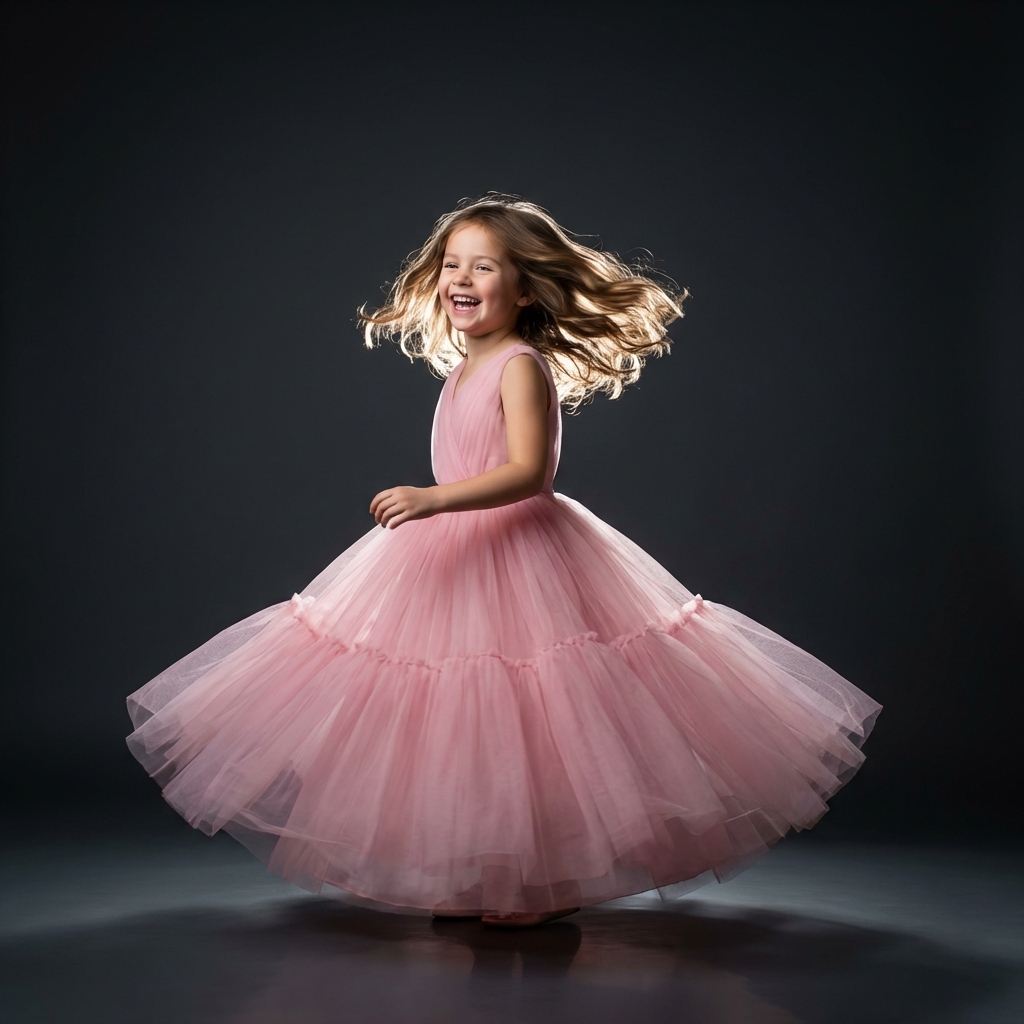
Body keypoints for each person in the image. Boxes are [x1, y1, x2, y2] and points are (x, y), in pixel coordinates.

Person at [126, 194, 881, 928]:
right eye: (452, 264)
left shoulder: (521, 364)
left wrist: (433, 500)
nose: (461, 280)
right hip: (450, 559)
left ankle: (538, 880)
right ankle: (474, 869)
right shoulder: (460, 368)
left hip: (520, 553)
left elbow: (529, 474)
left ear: (524, 288)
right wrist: (438, 509)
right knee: (454, 720)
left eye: (483, 267)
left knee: (537, 720)